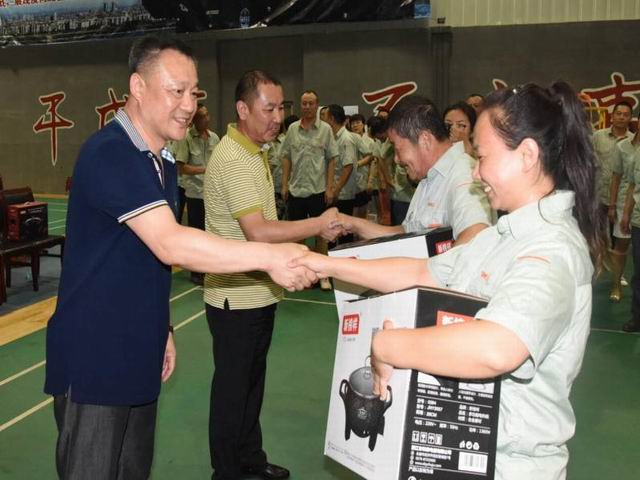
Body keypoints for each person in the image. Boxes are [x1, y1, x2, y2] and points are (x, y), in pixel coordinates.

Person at [292, 81, 606, 480]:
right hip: (467, 452)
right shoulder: (503, 236)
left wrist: (389, 345)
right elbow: (421, 271)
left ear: (527, 155)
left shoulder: (552, 248)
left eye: (483, 157)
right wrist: (325, 265)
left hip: (510, 465)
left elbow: (497, 347)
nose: (475, 171)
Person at [44, 36, 314, 480]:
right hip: (95, 354)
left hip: (138, 348)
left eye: (194, 93)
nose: (189, 105)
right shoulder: (110, 152)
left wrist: (162, 327)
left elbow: (148, 263)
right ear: (138, 87)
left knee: (133, 470)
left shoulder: (162, 162)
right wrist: (269, 257)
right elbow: (170, 243)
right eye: (177, 91)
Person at [203, 70, 344, 480]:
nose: (278, 117)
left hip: (257, 293)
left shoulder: (254, 151)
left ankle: (249, 459)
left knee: (251, 385)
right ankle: (226, 472)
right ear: (243, 109)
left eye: (281, 108)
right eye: (269, 109)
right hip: (235, 298)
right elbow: (259, 232)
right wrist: (317, 224)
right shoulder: (233, 158)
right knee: (232, 392)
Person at [338, 95, 491, 245]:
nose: (396, 159)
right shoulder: (429, 178)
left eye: (397, 148)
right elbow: (408, 233)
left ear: (424, 140)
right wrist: (352, 224)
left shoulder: (464, 176)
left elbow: (475, 240)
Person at [280, 90, 339, 290]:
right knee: (297, 234)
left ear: (317, 105)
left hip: (317, 190)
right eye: (304, 103)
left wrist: (329, 188)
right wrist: (284, 184)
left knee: (321, 234)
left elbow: (332, 160)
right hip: (296, 190)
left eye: (310, 103)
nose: (307, 107)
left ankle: (323, 276)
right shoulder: (292, 129)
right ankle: (300, 273)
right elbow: (286, 157)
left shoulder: (326, 130)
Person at [177, 103, 221, 284]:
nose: (206, 119)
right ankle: (196, 271)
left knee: (211, 233)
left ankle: (209, 268)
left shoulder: (214, 138)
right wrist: (204, 170)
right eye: (202, 116)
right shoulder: (185, 138)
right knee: (197, 234)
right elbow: (181, 167)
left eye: (207, 115)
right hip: (195, 194)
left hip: (212, 194)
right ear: (194, 119)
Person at [593, 101, 633, 244]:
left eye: (626, 115)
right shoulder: (598, 136)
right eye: (618, 114)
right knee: (598, 239)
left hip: (622, 200)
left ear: (630, 118)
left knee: (619, 240)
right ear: (612, 116)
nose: (622, 117)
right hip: (599, 196)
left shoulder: (633, 141)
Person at [608, 126, 640, 302]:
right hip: (625, 202)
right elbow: (616, 177)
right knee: (621, 246)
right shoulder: (622, 146)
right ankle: (616, 285)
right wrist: (612, 205)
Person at [325, 104, 358, 243]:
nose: (323, 120)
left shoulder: (346, 139)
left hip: (343, 194)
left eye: (325, 117)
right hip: (336, 192)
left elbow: (348, 166)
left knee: (345, 233)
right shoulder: (333, 137)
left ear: (331, 119)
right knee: (334, 231)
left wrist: (337, 190)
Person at [620, 125, 640, 332]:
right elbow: (632, 186)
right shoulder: (638, 154)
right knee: (639, 272)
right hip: (638, 221)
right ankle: (637, 317)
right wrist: (625, 214)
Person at [268, 114, 298, 220]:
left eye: (276, 126)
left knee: (289, 217)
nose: (274, 129)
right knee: (275, 217)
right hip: (273, 187)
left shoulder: (286, 140)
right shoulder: (266, 143)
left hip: (288, 186)